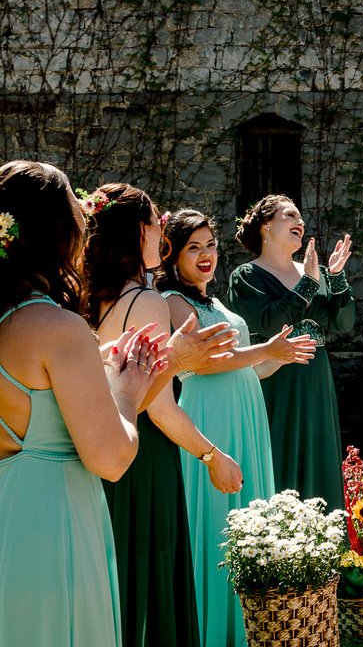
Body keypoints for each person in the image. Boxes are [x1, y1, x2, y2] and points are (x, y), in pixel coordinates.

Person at [0, 160, 166, 647]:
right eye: (76, 210)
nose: (83, 223)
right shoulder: (57, 328)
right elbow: (111, 457)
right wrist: (127, 391)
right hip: (53, 526)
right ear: (55, 230)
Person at [83, 183, 241, 647]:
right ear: (138, 232)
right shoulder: (146, 302)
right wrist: (213, 457)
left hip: (100, 448)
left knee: (117, 578)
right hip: (145, 458)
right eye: (156, 224)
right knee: (151, 575)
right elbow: (160, 409)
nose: (163, 235)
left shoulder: (89, 298)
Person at [159, 209, 317, 647]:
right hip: (210, 414)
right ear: (171, 253)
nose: (206, 255)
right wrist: (266, 348)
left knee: (251, 514)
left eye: (210, 245)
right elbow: (205, 365)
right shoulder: (172, 301)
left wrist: (278, 356)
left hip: (247, 413)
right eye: (194, 247)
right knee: (217, 519)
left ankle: (254, 624)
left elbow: (249, 369)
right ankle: (216, 629)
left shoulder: (217, 305)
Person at [226, 196, 354, 509]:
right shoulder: (246, 277)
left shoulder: (313, 270)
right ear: (265, 226)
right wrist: (309, 282)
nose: (300, 222)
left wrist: (334, 276)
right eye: (290, 215)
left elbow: (344, 323)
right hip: (275, 379)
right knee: (278, 452)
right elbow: (271, 322)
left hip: (315, 380)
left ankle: (323, 543)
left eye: (301, 217)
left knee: (318, 452)